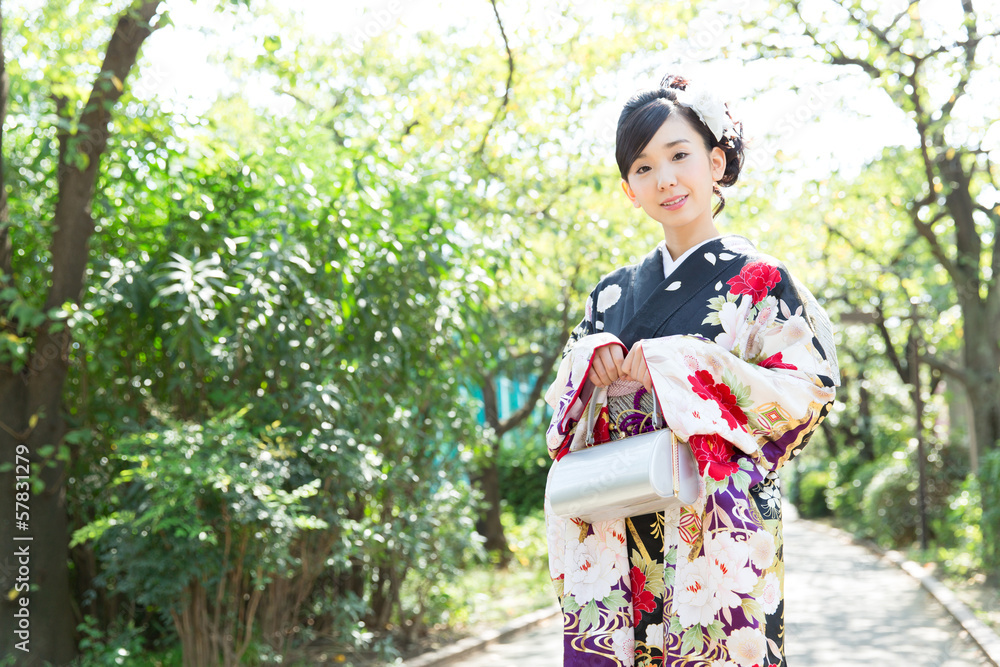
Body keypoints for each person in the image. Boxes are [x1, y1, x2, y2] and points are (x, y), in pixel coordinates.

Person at [542, 73, 840, 667]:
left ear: (716, 162)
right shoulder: (610, 295)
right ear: (629, 188)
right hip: (616, 520)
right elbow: (559, 408)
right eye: (643, 167)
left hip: (715, 520)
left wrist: (684, 367)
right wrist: (587, 364)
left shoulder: (762, 280)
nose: (666, 179)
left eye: (679, 155)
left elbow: (808, 391)